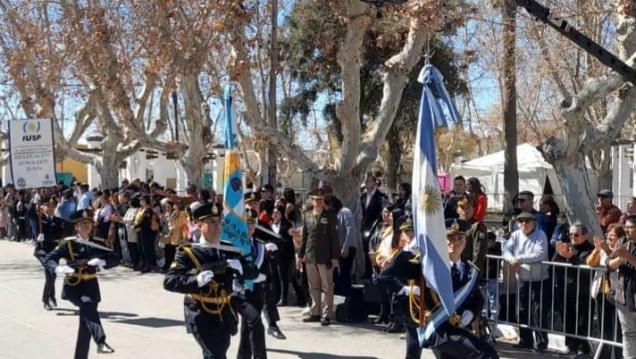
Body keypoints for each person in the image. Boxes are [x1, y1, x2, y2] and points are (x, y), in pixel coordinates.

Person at [380, 218, 499, 359]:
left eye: (459, 238)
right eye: (450, 238)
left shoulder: (470, 271)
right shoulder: (428, 266)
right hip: (437, 329)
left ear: (465, 243)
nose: (454, 243)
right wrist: (406, 255)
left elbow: (477, 298)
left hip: (457, 328)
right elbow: (385, 276)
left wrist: (471, 314)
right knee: (485, 354)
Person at [163, 202, 258, 359]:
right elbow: (170, 281)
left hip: (225, 310)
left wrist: (241, 267)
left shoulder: (230, 249)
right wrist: (196, 280)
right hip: (200, 311)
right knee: (215, 355)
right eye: (211, 222)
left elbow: (253, 272)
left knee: (219, 352)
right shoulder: (188, 252)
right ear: (199, 224)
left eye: (219, 221)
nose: (217, 226)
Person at [43, 209, 119, 358]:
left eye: (89, 223)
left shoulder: (97, 242)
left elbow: (115, 258)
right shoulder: (69, 243)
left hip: (91, 285)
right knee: (88, 307)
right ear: (76, 226)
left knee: (86, 323)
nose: (87, 226)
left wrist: (103, 262)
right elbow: (49, 260)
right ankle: (101, 341)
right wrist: (59, 268)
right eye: (83, 223)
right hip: (73, 285)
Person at [503, 212, 549, 352]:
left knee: (539, 312)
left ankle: (541, 342)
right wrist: (511, 258)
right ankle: (525, 340)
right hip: (522, 278)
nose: (524, 224)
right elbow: (505, 249)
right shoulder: (516, 235)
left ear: (533, 223)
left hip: (539, 278)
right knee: (522, 310)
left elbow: (539, 253)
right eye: (521, 221)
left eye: (527, 221)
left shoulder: (540, 234)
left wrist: (519, 259)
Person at [298, 187, 340, 326]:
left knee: (327, 286)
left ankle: (327, 314)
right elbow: (305, 236)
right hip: (310, 255)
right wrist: (301, 254)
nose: (318, 202)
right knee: (313, 286)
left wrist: (335, 257)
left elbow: (335, 239)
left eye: (321, 200)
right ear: (312, 200)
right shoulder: (307, 215)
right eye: (316, 200)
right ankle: (315, 312)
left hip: (325, 256)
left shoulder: (330, 216)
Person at [552, 222, 595, 357]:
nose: (572, 237)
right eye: (570, 234)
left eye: (576, 234)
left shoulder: (590, 249)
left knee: (582, 320)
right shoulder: (568, 246)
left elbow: (587, 267)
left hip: (583, 290)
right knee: (568, 318)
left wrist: (571, 257)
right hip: (566, 288)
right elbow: (554, 262)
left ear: (584, 235)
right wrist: (560, 253)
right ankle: (571, 346)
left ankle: (583, 348)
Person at [237, 208, 271, 359]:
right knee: (256, 324)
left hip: (257, 292)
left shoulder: (259, 245)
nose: (249, 226)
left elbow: (265, 269)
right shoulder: (234, 246)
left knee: (247, 328)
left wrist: (260, 277)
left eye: (252, 223)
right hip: (241, 292)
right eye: (246, 223)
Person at [588, 223, 624, 359]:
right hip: (601, 293)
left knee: (618, 328)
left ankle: (619, 355)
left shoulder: (622, 249)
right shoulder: (603, 249)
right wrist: (597, 250)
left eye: (612, 235)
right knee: (604, 326)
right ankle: (604, 355)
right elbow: (590, 263)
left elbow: (612, 264)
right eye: (608, 235)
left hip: (617, 293)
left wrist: (606, 250)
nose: (609, 237)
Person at [607, 215, 636, 359]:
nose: (626, 230)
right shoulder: (622, 241)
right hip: (623, 295)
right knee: (628, 332)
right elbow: (609, 265)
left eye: (630, 227)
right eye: (625, 227)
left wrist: (629, 256)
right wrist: (620, 258)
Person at [34, 197, 66, 310]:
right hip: (42, 251)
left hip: (53, 251)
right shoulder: (39, 218)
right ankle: (48, 299)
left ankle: (49, 298)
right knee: (50, 272)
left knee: (52, 274)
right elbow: (29, 215)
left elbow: (61, 233)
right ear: (42, 207)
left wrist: (47, 237)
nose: (51, 208)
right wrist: (35, 200)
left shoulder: (58, 221)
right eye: (48, 206)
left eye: (53, 206)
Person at [324, 194, 359, 297]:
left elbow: (350, 229)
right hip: (338, 250)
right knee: (337, 276)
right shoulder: (333, 215)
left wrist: (346, 246)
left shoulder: (345, 212)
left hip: (347, 248)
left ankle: (348, 298)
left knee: (343, 275)